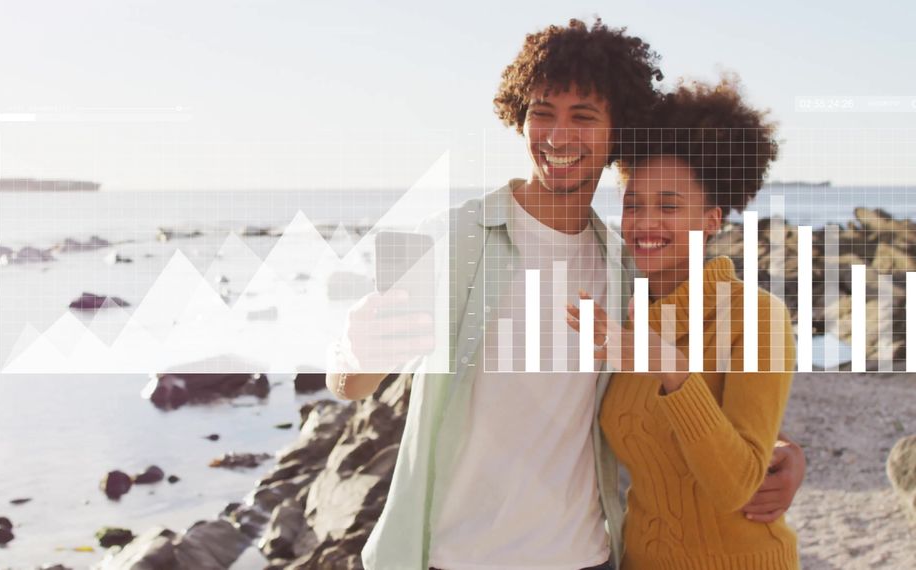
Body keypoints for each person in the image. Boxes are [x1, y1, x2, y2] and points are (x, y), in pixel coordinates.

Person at [327, 20, 804, 570]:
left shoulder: (625, 269)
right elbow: (351, 384)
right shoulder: (453, 239)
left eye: (583, 116)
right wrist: (353, 353)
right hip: (456, 557)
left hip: (584, 556)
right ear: (520, 117)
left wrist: (780, 451)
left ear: (616, 131)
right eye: (542, 112)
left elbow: (690, 391)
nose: (558, 136)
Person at [568, 77, 800, 568]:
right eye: (633, 204)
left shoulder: (757, 316)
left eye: (669, 206)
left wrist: (672, 370)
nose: (645, 222)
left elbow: (736, 486)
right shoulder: (621, 311)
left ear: (711, 220)